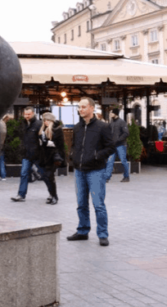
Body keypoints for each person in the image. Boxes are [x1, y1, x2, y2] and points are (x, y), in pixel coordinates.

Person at [67, 97, 115, 247]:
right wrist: (72, 157)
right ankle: (82, 231)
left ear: (92, 108)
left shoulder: (103, 127)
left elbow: (110, 147)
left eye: (83, 107)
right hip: (79, 170)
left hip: (96, 171)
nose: (80, 109)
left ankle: (102, 234)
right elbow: (75, 145)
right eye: (79, 107)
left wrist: (96, 156)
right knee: (81, 204)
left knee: (98, 204)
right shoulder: (77, 127)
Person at [11, 106, 42, 202]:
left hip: (37, 155)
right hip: (27, 154)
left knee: (45, 175)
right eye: (25, 114)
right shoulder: (23, 124)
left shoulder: (38, 124)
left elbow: (42, 139)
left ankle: (52, 194)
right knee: (23, 174)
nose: (27, 116)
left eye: (29, 114)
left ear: (33, 113)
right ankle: (21, 195)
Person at [37, 112, 65, 205]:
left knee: (49, 176)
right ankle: (52, 194)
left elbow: (61, 145)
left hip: (54, 157)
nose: (46, 122)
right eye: (44, 120)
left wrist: (52, 144)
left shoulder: (57, 129)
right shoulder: (42, 129)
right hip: (45, 157)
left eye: (48, 120)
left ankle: (54, 196)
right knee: (46, 176)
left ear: (52, 121)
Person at [105, 108, 130, 183]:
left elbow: (126, 133)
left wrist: (118, 140)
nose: (110, 114)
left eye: (111, 112)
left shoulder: (121, 122)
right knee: (110, 161)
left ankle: (126, 177)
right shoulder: (111, 122)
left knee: (123, 161)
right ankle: (107, 178)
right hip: (113, 146)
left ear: (115, 113)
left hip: (121, 145)